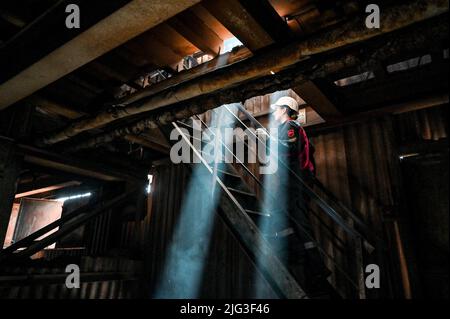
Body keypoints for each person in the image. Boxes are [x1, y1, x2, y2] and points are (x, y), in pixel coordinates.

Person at [269, 96, 330, 293]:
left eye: (277, 109)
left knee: (298, 222)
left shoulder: (291, 126)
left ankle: (317, 269)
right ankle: (299, 257)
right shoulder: (288, 127)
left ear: (285, 110)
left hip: (297, 181)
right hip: (293, 180)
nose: (275, 112)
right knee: (285, 218)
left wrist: (269, 140)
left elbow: (289, 149)